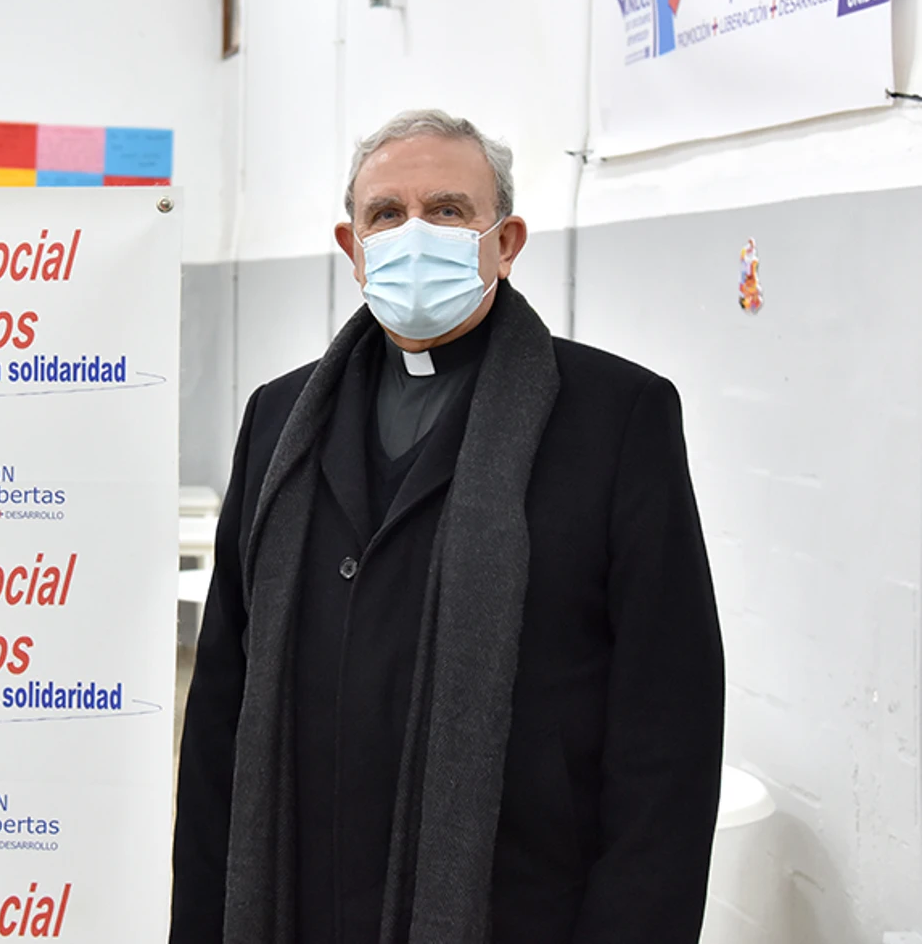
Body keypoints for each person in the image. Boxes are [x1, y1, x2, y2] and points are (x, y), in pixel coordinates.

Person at [172, 110, 724, 943]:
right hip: (298, 899)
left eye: (449, 209)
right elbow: (222, 700)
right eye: (386, 214)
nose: (414, 232)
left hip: (517, 906)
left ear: (506, 242)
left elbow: (667, 730)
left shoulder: (617, 419)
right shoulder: (280, 419)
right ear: (352, 246)